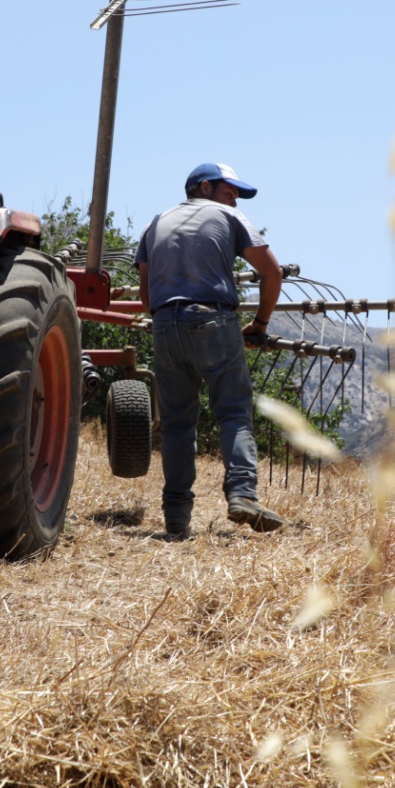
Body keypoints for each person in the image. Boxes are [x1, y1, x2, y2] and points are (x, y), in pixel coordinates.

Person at [135, 162, 286, 539]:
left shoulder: (156, 223)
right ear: (204, 187)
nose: (233, 202)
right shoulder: (226, 217)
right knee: (234, 412)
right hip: (213, 319)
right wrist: (261, 324)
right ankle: (242, 495)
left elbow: (144, 296)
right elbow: (272, 272)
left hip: (164, 325)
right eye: (229, 193)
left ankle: (176, 519)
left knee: (176, 426)